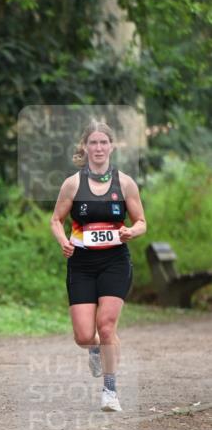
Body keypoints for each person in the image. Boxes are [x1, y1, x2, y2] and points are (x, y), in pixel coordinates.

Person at [50, 121, 146, 412]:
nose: (99, 148)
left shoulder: (126, 183)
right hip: (81, 263)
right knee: (83, 335)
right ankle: (95, 348)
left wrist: (131, 231)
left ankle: (110, 390)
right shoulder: (73, 183)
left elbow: (142, 222)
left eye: (104, 142)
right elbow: (56, 220)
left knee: (106, 327)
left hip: (115, 261)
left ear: (112, 146)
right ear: (85, 147)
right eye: (93, 142)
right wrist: (62, 241)